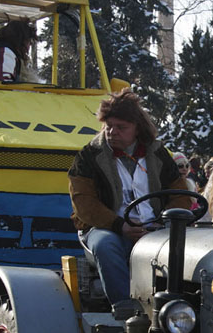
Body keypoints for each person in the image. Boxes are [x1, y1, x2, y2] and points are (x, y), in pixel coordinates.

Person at [68, 90, 190, 312]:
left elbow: (180, 194)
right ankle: (126, 309)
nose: (112, 132)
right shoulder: (89, 156)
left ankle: (176, 308)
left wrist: (164, 223)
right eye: (108, 126)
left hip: (155, 227)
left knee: (185, 247)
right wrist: (119, 225)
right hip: (105, 228)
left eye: (121, 127)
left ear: (137, 128)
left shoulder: (158, 153)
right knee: (106, 245)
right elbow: (84, 204)